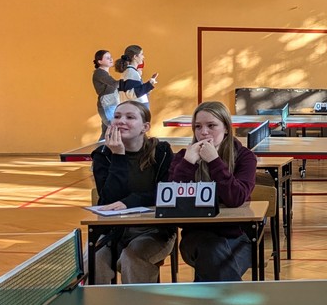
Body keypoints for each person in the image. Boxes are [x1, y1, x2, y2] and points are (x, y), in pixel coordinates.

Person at [168, 101, 257, 282]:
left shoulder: (245, 157)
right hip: (196, 238)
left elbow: (236, 198)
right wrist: (187, 164)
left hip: (237, 238)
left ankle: (207, 298)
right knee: (210, 250)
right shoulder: (183, 158)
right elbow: (171, 200)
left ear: (226, 128)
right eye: (198, 127)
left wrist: (214, 162)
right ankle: (236, 299)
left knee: (212, 261)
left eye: (211, 126)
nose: (204, 132)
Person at [90, 100, 176, 284]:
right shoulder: (103, 155)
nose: (121, 121)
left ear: (145, 127)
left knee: (132, 259)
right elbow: (109, 199)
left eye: (130, 117)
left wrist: (130, 201)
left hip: (154, 231)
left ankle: (138, 303)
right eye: (117, 116)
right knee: (93, 261)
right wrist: (118, 156)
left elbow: (165, 193)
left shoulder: (161, 152)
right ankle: (100, 303)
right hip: (113, 231)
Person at [92, 49, 121, 139]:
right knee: (112, 128)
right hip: (107, 105)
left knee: (106, 131)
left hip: (111, 103)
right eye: (108, 58)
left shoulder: (104, 73)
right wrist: (127, 77)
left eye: (111, 57)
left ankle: (101, 147)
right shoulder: (99, 73)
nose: (111, 59)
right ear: (100, 61)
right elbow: (114, 84)